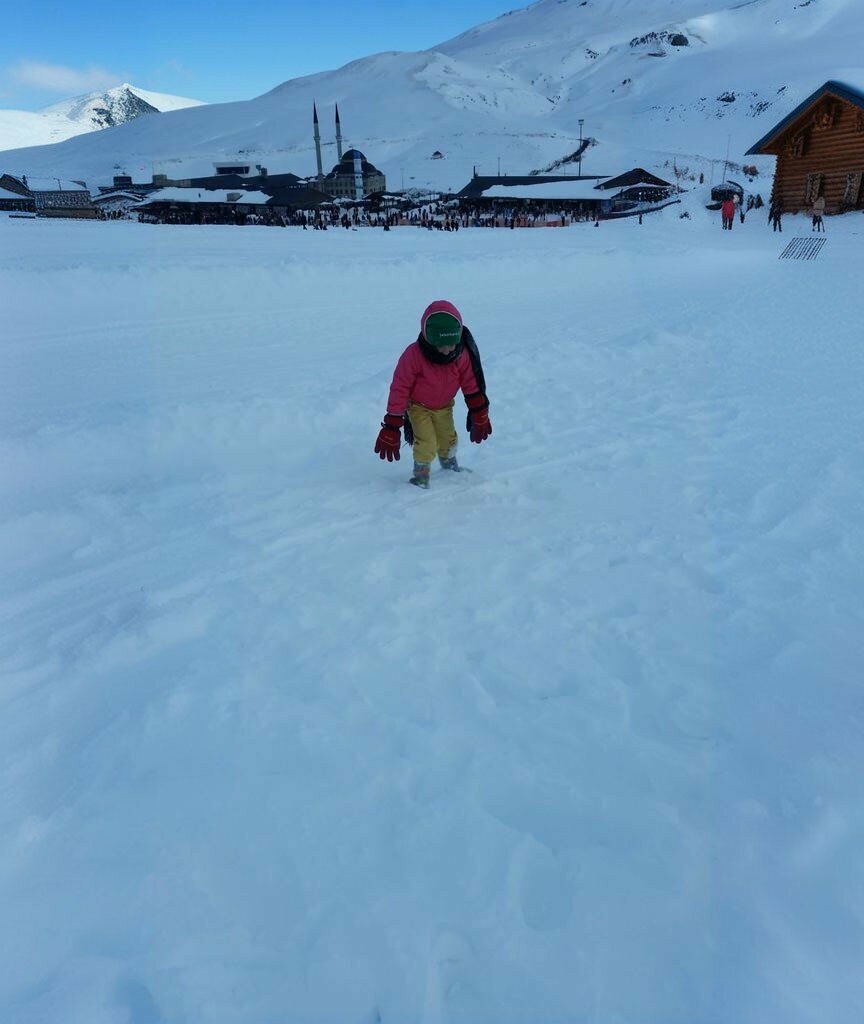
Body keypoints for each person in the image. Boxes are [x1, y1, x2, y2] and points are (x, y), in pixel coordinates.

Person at [374, 300, 491, 489]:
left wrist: (479, 410)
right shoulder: (414, 355)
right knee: (426, 442)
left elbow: (471, 382)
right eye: (441, 346)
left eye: (451, 344)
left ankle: (449, 468)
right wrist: (392, 424)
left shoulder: (461, 354)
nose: (447, 350)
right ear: (429, 339)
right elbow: (400, 388)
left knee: (448, 437)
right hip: (419, 407)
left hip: (445, 406)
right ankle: (421, 476)